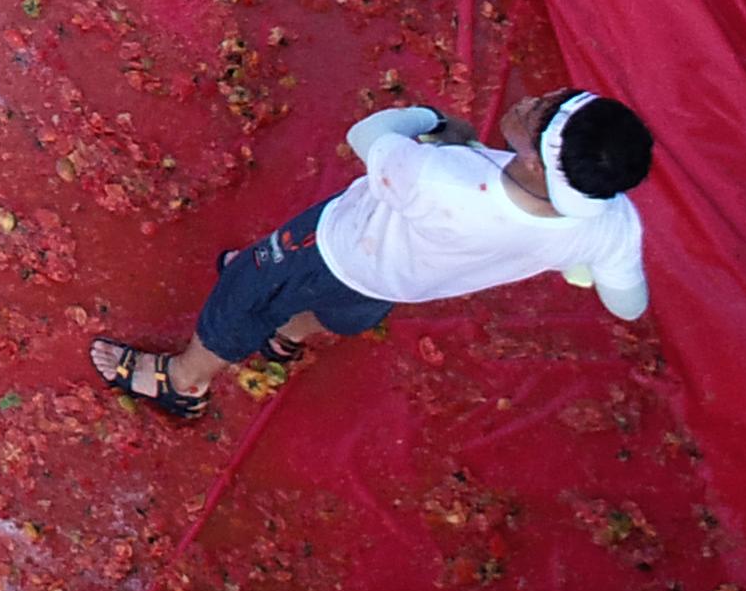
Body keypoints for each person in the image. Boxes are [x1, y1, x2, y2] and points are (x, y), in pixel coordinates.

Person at [91, 93, 654, 419]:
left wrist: (427, 120)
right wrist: (579, 262)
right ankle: (285, 336)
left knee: (244, 287)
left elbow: (369, 134)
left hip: (333, 248)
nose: (530, 100)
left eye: (537, 113)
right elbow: (627, 303)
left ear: (535, 165)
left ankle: (184, 382)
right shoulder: (609, 224)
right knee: (341, 311)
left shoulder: (442, 178)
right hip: (397, 284)